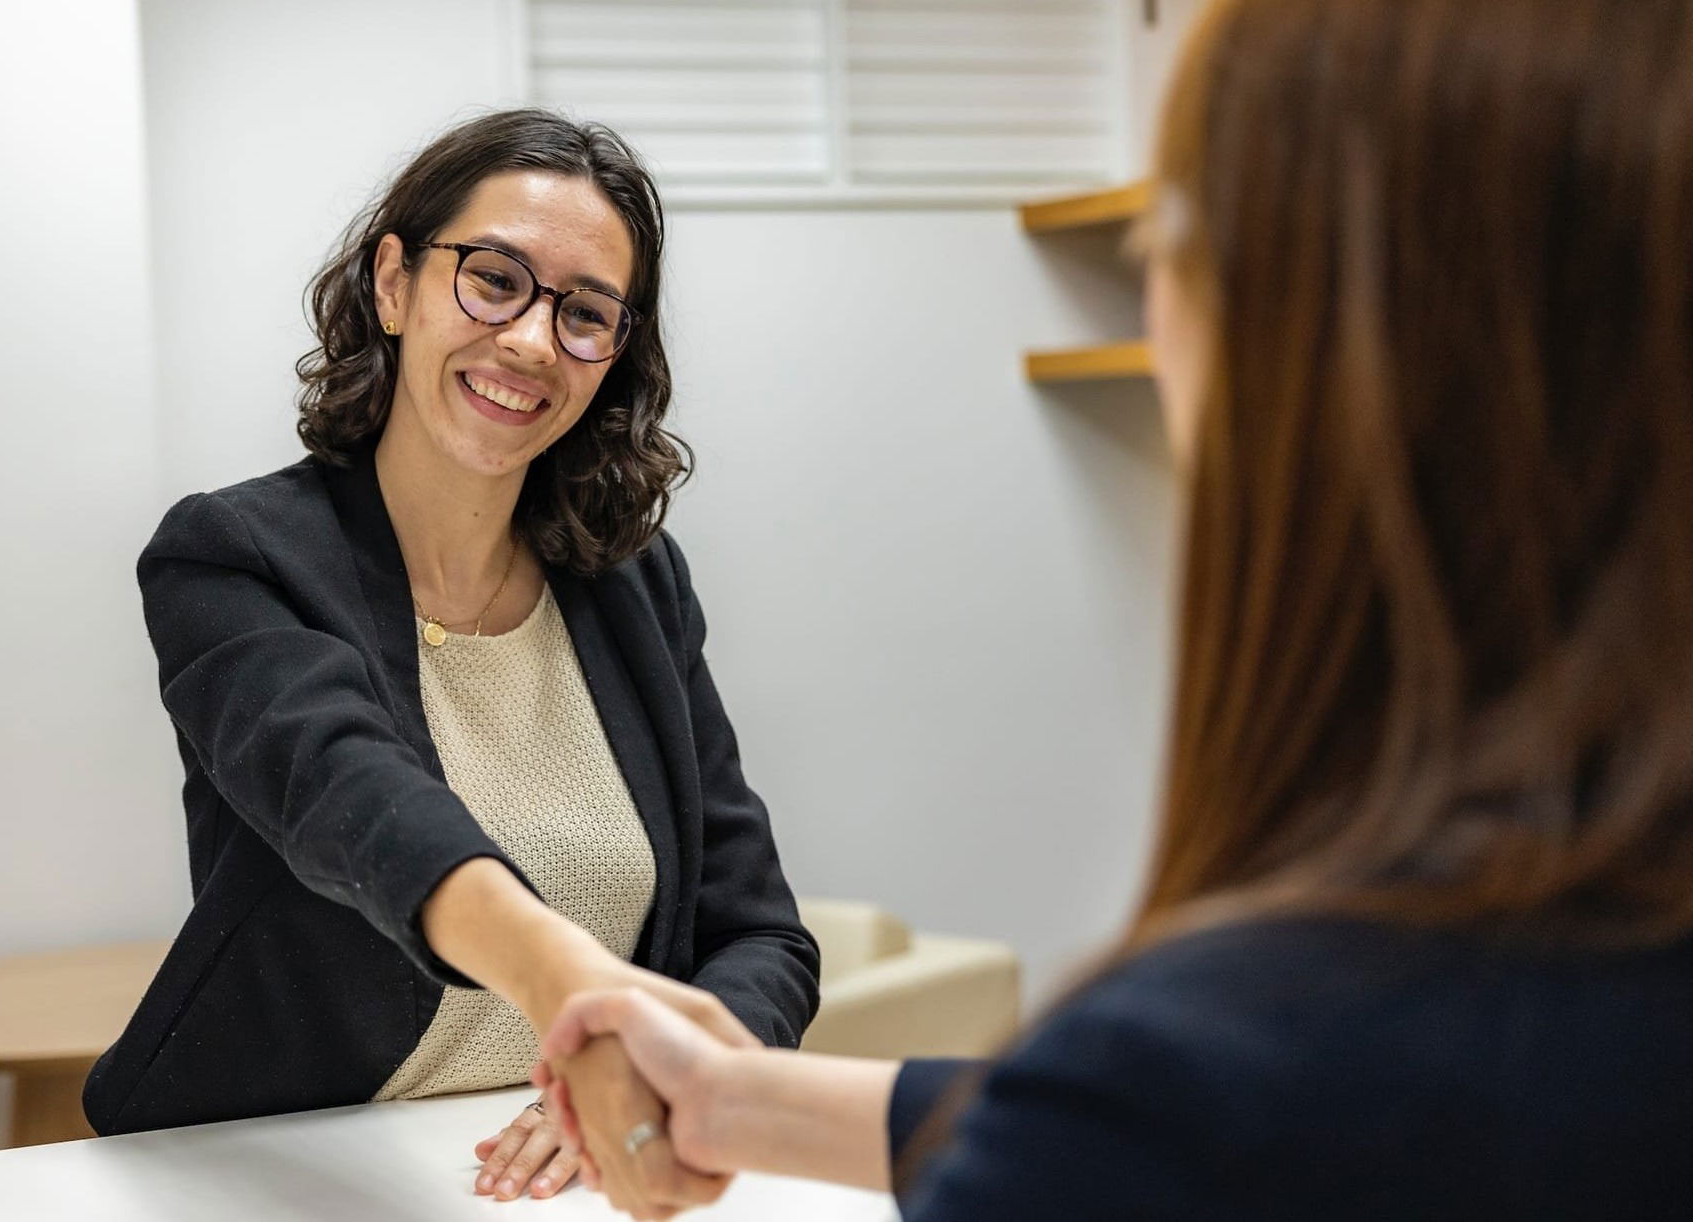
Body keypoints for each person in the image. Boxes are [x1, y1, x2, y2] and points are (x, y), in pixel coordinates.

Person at [535, 0, 1693, 1217]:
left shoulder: (1212, 1065)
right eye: (494, 278)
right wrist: (742, 1100)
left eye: (1169, 242)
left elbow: (1180, 1118)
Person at [81, 109, 819, 1207]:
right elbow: (356, 803)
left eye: (583, 314)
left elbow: (758, 934)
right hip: (277, 1172)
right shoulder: (232, 556)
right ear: (393, 283)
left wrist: (664, 1080)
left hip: (563, 1176)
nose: (529, 340)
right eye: (492, 279)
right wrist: (574, 988)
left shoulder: (633, 585)